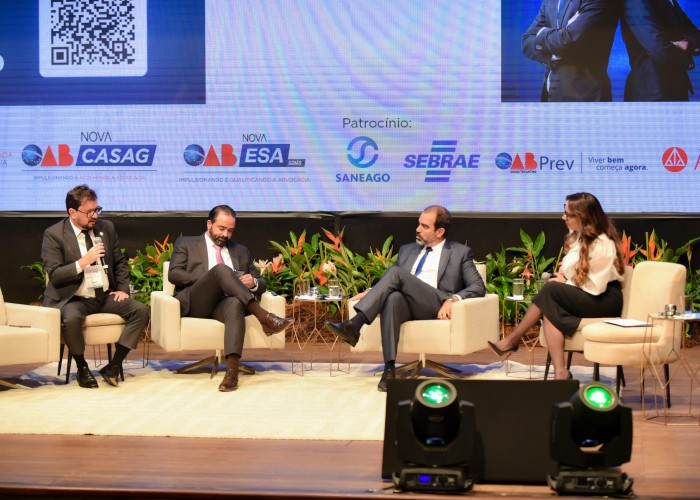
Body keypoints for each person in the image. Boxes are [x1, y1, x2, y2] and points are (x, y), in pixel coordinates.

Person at [326, 205, 486, 392]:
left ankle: (356, 323)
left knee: (396, 273)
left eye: (425, 226)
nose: (417, 229)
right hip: (407, 304)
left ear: (440, 231)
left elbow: (478, 286)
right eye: (418, 224)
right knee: (392, 298)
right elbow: (391, 282)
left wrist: (453, 300)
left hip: (435, 303)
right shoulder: (408, 250)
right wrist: (371, 291)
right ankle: (389, 369)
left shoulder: (460, 253)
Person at [488, 192, 625, 380]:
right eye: (564, 212)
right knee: (550, 307)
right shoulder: (577, 237)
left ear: (583, 216)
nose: (564, 218)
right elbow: (577, 272)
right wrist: (565, 279)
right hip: (586, 294)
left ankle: (512, 339)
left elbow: (596, 286)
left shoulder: (602, 244)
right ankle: (560, 372)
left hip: (603, 299)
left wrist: (565, 282)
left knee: (551, 291)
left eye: (569, 215)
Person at [168, 205, 294, 392]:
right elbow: (174, 274)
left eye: (230, 231)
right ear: (209, 224)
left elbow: (262, 282)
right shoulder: (186, 243)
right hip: (197, 302)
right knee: (220, 271)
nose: (226, 235)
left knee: (236, 303)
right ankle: (264, 317)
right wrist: (212, 278)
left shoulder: (241, 251)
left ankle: (232, 372)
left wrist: (253, 283)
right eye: (221, 229)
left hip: (225, 304)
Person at [42, 185, 150, 388]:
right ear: (72, 213)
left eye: (97, 210)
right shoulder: (54, 234)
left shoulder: (105, 228)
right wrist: (84, 261)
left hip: (103, 295)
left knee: (140, 310)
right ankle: (82, 368)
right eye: (89, 211)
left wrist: (123, 290)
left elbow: (119, 262)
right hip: (74, 298)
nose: (94, 216)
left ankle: (114, 366)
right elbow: (55, 275)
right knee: (71, 317)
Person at [522, 0, 620, 102]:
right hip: (549, 95)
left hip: (585, 98)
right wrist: (552, 55)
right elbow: (527, 41)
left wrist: (542, 34)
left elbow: (567, 41)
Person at [621, 0, 700, 101]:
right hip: (652, 93)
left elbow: (695, 34)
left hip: (674, 89)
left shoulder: (670, 1)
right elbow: (660, 50)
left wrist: (688, 45)